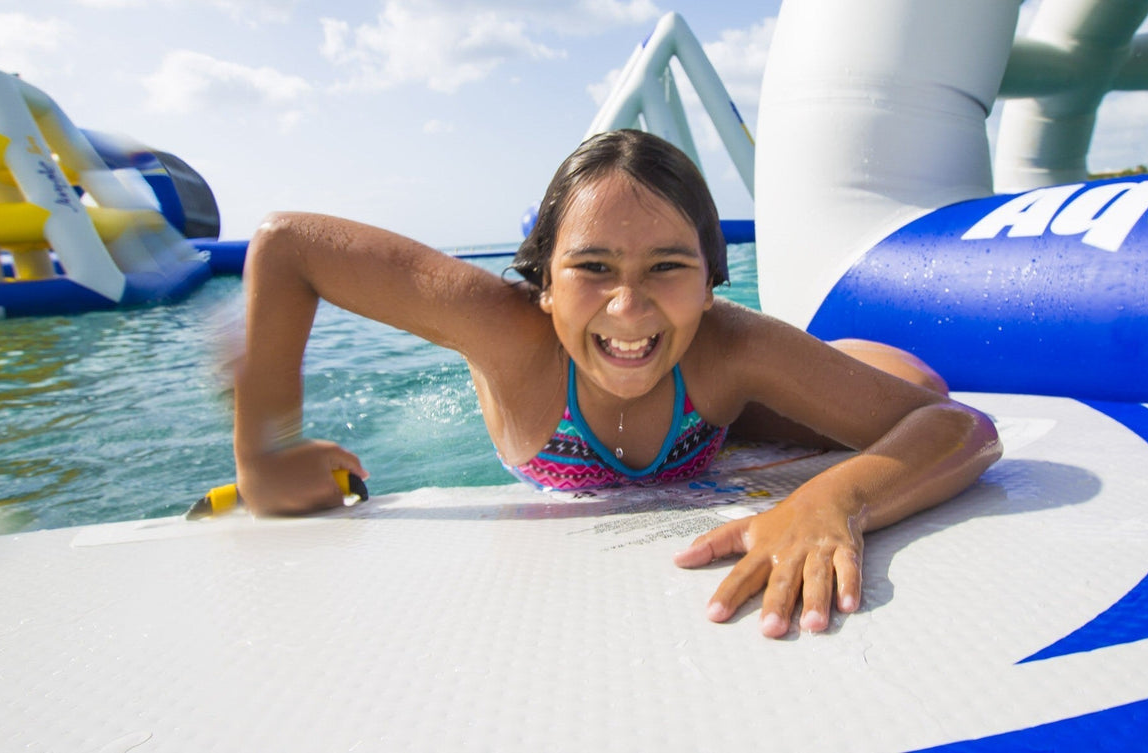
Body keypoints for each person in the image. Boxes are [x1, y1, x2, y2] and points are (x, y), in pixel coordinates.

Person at [231, 129, 1002, 638]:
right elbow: (288, 245)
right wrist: (265, 455)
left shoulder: (731, 342)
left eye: (667, 266)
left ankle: (806, 376)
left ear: (711, 285)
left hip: (741, 394)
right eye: (592, 268)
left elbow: (957, 424)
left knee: (911, 378)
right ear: (543, 284)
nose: (627, 307)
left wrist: (834, 498)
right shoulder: (502, 329)